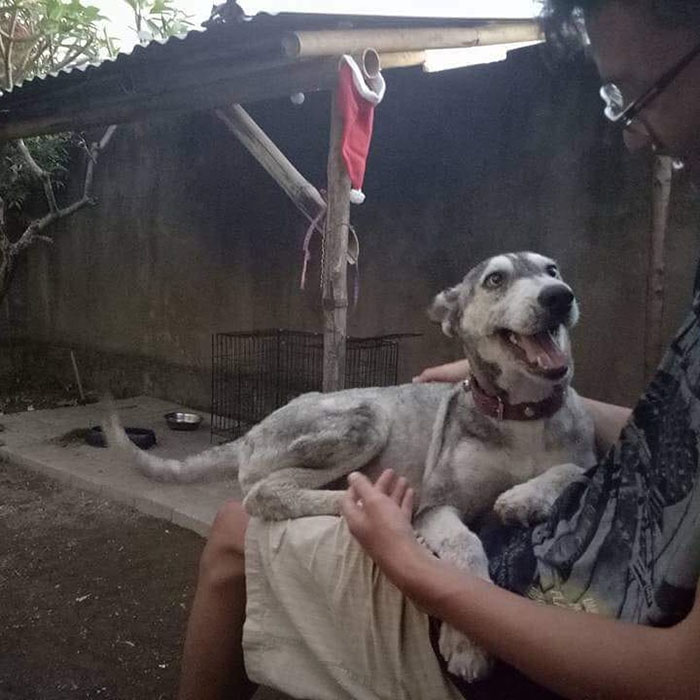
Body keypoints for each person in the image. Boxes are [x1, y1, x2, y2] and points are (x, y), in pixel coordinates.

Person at [178, 2, 700, 698]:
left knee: (230, 538)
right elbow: (673, 441)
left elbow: (680, 675)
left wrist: (413, 564)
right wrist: (514, 385)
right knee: (252, 509)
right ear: (459, 321)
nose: (633, 135)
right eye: (618, 100)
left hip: (553, 623)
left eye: (639, 91)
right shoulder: (514, 390)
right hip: (544, 554)